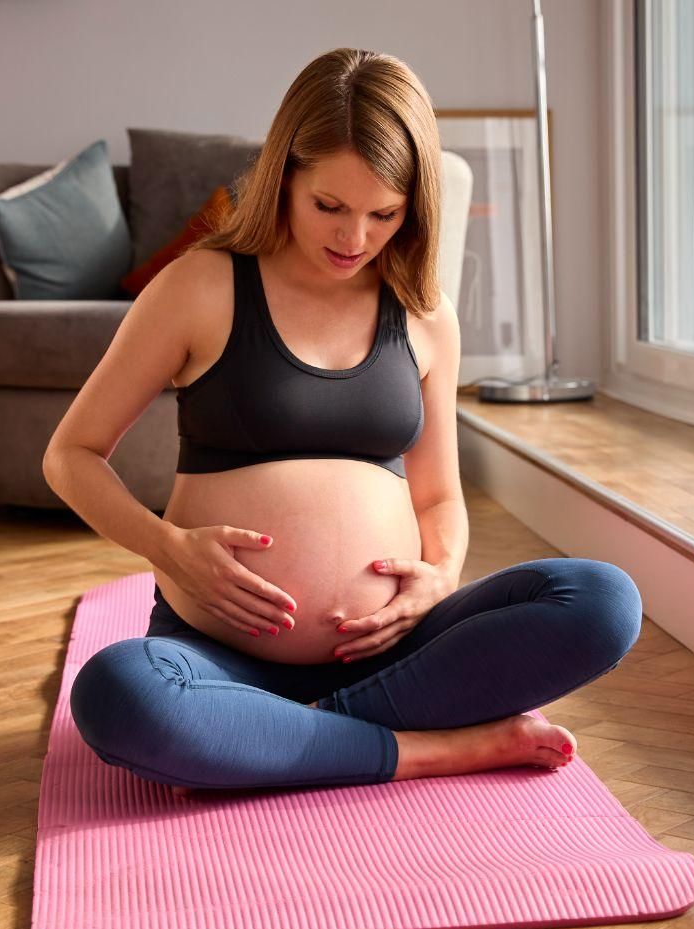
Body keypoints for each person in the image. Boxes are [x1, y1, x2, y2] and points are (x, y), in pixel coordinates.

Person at [42, 47, 643, 791]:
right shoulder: (200, 286)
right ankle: (431, 748)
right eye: (330, 206)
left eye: (383, 214)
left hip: (395, 651)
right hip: (216, 654)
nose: (354, 239)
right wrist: (170, 547)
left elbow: (438, 496)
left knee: (603, 601)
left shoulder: (425, 314)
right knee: (120, 692)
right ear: (284, 176)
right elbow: (71, 455)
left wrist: (440, 577)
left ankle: (290, 737)